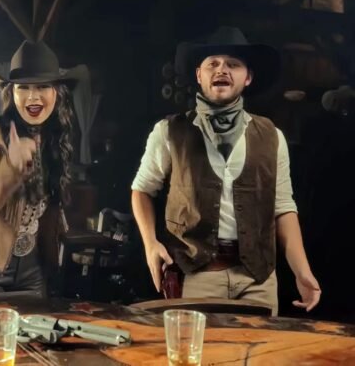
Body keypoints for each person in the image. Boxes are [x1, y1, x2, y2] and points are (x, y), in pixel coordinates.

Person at [131, 26, 321, 315]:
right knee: (197, 345)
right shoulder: (169, 131)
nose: (222, 70)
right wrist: (150, 244)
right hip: (197, 274)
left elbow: (283, 208)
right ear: (199, 75)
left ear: (248, 77)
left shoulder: (272, 136)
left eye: (233, 64)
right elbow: (142, 189)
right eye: (213, 64)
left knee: (259, 346)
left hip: (257, 279)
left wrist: (302, 271)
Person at [0, 40, 86, 296]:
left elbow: (50, 208)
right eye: (24, 88)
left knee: (38, 324)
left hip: (35, 265)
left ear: (57, 92)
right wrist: (10, 166)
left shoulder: (56, 138)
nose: (33, 96)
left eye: (42, 86)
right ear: (11, 93)